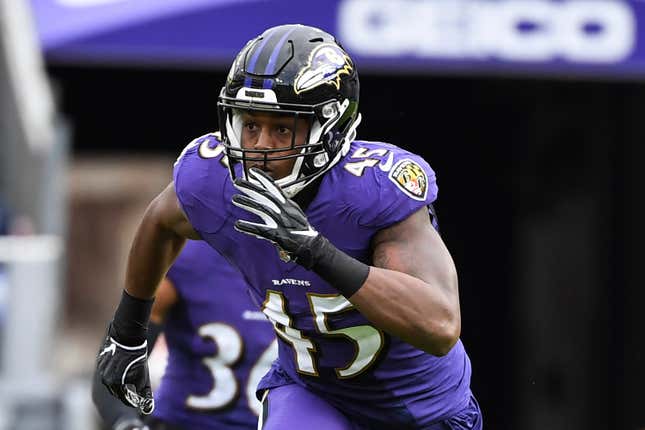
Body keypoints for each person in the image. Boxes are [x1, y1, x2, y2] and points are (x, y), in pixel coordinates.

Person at [96, 24, 482, 429]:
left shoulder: (371, 192)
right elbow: (161, 222)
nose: (260, 144)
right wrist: (127, 332)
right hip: (313, 393)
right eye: (250, 125)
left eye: (281, 128)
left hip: (420, 407)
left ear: (330, 129)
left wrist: (318, 252)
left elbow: (439, 326)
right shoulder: (214, 180)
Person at [93, 240, 277, 430]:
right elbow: (117, 360)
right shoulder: (188, 259)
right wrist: (127, 422)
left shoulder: (304, 263)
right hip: (185, 422)